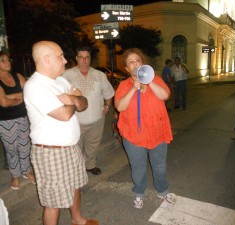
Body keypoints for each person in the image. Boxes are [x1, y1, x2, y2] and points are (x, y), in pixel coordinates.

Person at [23, 41, 99, 225]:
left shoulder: (60, 80)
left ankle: (77, 219)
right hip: (51, 152)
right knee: (53, 201)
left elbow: (84, 103)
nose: (65, 60)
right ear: (47, 59)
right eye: (60, 57)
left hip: (71, 147)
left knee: (75, 186)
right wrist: (74, 99)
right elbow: (64, 114)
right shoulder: (35, 86)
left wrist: (71, 99)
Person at [115, 48, 175, 209]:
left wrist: (149, 82)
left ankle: (162, 191)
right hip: (133, 135)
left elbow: (165, 95)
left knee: (160, 165)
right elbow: (120, 107)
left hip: (157, 133)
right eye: (130, 62)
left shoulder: (156, 79)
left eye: (137, 60)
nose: (134, 63)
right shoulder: (124, 85)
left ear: (143, 63)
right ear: (127, 68)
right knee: (138, 167)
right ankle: (139, 193)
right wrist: (133, 88)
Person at [63, 46, 115, 176]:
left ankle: (90, 165)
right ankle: (77, 169)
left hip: (97, 119)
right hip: (75, 121)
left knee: (93, 145)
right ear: (76, 58)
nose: (84, 60)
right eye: (81, 57)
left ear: (90, 59)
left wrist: (107, 106)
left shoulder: (100, 75)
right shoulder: (66, 75)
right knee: (76, 147)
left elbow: (108, 93)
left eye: (87, 57)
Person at [0, 51, 35, 190]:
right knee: (11, 149)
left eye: (8, 60)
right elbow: (3, 103)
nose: (7, 62)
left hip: (23, 117)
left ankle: (27, 171)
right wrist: (20, 97)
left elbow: (29, 93)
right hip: (5, 121)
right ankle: (15, 175)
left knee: (25, 146)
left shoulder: (18, 76)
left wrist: (11, 96)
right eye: (3, 60)